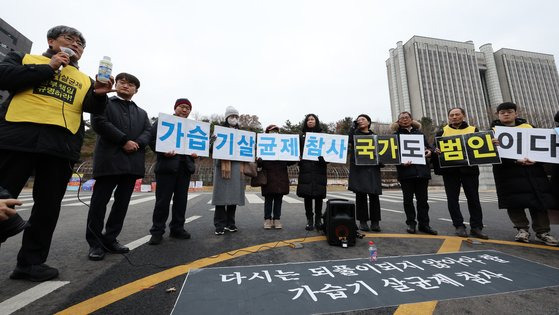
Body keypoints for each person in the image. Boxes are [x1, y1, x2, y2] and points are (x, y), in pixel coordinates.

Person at [0, 25, 111, 281]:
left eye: (81, 44)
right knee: (3, 201)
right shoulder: (27, 59)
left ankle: (31, 263)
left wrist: (100, 95)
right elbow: (4, 77)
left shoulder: (84, 79)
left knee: (47, 208)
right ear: (51, 41)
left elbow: (92, 108)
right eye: (69, 39)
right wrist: (49, 67)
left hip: (60, 148)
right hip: (17, 141)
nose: (75, 45)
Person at [86, 73, 151, 261]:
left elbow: (148, 131)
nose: (126, 86)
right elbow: (98, 122)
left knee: (121, 204)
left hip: (132, 163)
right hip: (109, 160)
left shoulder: (142, 113)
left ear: (136, 90)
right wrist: (123, 141)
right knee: (99, 203)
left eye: (131, 84)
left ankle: (111, 238)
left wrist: (136, 143)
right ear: (116, 84)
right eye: (122, 82)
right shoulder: (104, 102)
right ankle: (95, 243)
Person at [491, 102, 558, 246]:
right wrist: (492, 146)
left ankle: (543, 232)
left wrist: (536, 160)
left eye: (509, 111)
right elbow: (488, 155)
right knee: (514, 203)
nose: (506, 114)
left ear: (516, 113)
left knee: (539, 202)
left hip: (533, 171)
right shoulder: (492, 132)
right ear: (498, 115)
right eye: (502, 112)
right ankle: (522, 230)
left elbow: (543, 148)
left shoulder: (530, 128)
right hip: (508, 173)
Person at [148, 98, 197, 245]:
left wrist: (196, 154)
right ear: (175, 108)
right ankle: (157, 231)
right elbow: (151, 140)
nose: (184, 110)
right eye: (182, 107)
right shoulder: (164, 121)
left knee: (181, 200)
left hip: (185, 168)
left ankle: (177, 228)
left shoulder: (192, 126)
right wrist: (163, 152)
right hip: (166, 167)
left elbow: (197, 144)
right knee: (162, 200)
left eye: (188, 108)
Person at [433, 107, 488, 239]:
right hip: (450, 171)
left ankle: (476, 227)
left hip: (470, 170)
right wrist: (436, 152)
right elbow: (436, 150)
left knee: (473, 198)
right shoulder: (442, 132)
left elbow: (479, 148)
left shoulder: (473, 130)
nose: (454, 117)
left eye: (457, 114)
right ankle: (459, 226)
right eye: (451, 115)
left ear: (463, 116)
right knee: (453, 199)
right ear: (448, 118)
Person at [392, 112, 437, 235]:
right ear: (398, 121)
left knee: (423, 201)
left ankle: (425, 225)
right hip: (406, 173)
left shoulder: (419, 134)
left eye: (407, 118)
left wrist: (429, 151)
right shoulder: (395, 136)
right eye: (402, 118)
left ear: (412, 120)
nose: (405, 120)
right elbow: (392, 154)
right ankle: (411, 224)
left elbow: (429, 147)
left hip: (422, 172)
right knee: (408, 201)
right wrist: (401, 163)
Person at [212, 106, 246, 235]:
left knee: (233, 196)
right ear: (226, 117)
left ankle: (231, 223)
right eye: (232, 116)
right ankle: (219, 224)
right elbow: (210, 149)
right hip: (222, 166)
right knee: (221, 197)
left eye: (236, 117)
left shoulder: (241, 134)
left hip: (237, 167)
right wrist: (212, 140)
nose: (234, 119)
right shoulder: (219, 131)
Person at [348, 114, 382, 232]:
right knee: (360, 195)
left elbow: (382, 151)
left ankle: (375, 222)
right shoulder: (355, 135)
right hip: (359, 169)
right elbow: (349, 140)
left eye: (363, 119)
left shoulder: (375, 137)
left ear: (368, 122)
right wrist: (353, 127)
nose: (360, 121)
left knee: (374, 196)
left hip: (372, 169)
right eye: (358, 120)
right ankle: (363, 222)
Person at [258, 124, 293, 229]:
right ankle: (267, 219)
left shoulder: (283, 145)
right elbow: (259, 164)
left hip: (281, 177)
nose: (274, 133)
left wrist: (296, 157)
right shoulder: (263, 145)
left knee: (278, 200)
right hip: (268, 177)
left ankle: (277, 219)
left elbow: (289, 161)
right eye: (272, 131)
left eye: (276, 131)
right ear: (267, 133)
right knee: (268, 200)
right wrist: (259, 161)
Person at [297, 114, 327, 231]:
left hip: (319, 169)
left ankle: (318, 220)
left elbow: (329, 153)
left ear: (316, 121)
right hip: (306, 169)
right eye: (308, 120)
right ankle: (310, 220)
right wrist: (298, 159)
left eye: (312, 119)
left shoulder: (323, 136)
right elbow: (296, 152)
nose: (310, 121)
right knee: (307, 196)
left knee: (319, 196)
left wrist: (324, 160)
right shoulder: (301, 137)